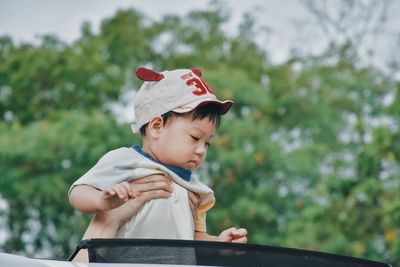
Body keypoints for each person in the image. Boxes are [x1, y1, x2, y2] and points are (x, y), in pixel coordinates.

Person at [69, 67, 247, 249]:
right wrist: (101, 200)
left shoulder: (194, 189)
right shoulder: (128, 161)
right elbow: (78, 192)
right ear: (156, 127)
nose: (201, 150)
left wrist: (219, 244)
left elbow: (193, 238)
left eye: (207, 143)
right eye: (194, 137)